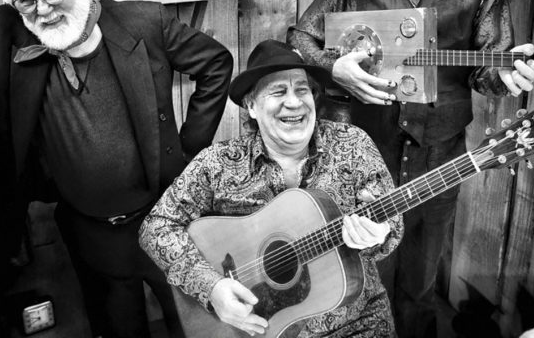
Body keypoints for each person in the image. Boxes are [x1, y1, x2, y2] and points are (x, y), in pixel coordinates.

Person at [286, 0, 534, 338]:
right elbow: (301, 37)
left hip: (441, 155)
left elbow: (486, 71)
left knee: (420, 285)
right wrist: (331, 67)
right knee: (363, 276)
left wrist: (508, 74)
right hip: (368, 154)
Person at [0, 0, 234, 338]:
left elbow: (216, 64)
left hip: (164, 219)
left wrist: (191, 149)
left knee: (193, 327)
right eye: (27, 0)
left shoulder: (144, 21)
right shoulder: (10, 32)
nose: (43, 10)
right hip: (90, 233)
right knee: (118, 329)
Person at [139, 39, 405, 337]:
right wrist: (212, 288)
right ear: (251, 105)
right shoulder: (217, 163)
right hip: (259, 329)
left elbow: (391, 223)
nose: (294, 102)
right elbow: (156, 227)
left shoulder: (354, 145)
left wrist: (379, 232)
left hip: (355, 322)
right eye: (279, 91)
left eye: (302, 90)